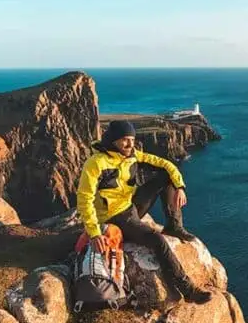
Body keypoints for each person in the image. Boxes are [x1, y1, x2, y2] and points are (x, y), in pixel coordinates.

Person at [76, 120, 212, 304]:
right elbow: (84, 199)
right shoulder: (96, 164)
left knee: (165, 177)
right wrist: (94, 232)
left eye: (132, 139)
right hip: (114, 217)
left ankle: (174, 226)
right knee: (157, 240)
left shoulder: (132, 155)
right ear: (113, 140)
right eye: (125, 140)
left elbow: (165, 164)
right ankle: (187, 289)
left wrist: (179, 185)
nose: (130, 144)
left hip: (129, 207)